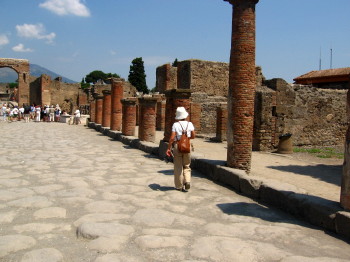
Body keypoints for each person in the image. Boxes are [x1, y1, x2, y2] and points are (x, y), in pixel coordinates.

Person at [166, 107, 195, 192]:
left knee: (178, 167)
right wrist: (187, 138)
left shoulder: (176, 124)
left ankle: (179, 186)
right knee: (187, 165)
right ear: (185, 115)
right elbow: (193, 136)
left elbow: (172, 138)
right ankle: (187, 181)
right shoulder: (190, 124)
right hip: (188, 146)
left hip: (177, 145)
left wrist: (168, 148)